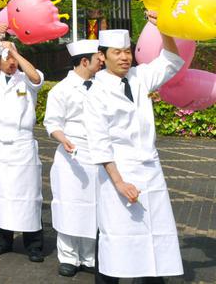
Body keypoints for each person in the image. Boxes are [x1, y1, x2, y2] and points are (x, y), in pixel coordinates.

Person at [84, 21, 186, 283]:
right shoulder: (96, 92)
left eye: (127, 51)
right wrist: (119, 182)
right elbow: (99, 143)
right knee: (117, 237)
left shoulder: (139, 78)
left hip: (150, 170)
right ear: (102, 56)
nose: (124, 57)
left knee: (154, 235)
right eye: (117, 52)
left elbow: (172, 60)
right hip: (119, 172)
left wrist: (163, 28)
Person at [0, 25, 45, 262]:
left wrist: (14, 52)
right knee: (2, 194)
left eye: (13, 59)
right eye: (6, 59)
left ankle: (34, 244)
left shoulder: (26, 79)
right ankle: (3, 240)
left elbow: (36, 77)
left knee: (29, 195)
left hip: (23, 145)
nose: (11, 63)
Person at [43, 38, 102, 277]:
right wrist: (63, 139)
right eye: (98, 58)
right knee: (69, 206)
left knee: (93, 207)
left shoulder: (103, 87)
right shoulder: (61, 90)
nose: (102, 61)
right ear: (84, 61)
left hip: (97, 154)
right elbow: (52, 122)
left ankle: (88, 256)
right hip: (72, 156)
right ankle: (68, 257)